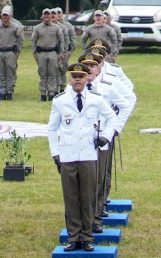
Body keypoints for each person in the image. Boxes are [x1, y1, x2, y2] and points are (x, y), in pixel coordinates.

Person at [48, 63, 122, 252]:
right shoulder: (60, 100)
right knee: (71, 198)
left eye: (81, 76)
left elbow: (112, 118)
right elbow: (52, 129)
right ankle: (73, 237)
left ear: (86, 78)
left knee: (88, 198)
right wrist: (55, 153)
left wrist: (105, 136)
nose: (78, 80)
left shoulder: (96, 99)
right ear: (70, 79)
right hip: (67, 155)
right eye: (74, 77)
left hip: (89, 155)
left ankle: (88, 237)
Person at [80, 53, 135, 233]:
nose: (89, 70)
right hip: (79, 141)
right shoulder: (72, 88)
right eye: (84, 66)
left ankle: (95, 215)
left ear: (99, 68)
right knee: (81, 181)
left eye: (93, 66)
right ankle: (81, 218)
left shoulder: (108, 85)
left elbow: (127, 102)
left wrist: (114, 130)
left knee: (98, 178)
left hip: (101, 138)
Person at [0, 6, 24, 100]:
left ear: (11, 16)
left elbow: (21, 40)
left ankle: (10, 92)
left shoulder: (16, 26)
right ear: (1, 15)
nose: (5, 18)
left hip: (10, 52)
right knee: (0, 72)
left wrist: (17, 53)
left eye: (7, 15)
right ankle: (2, 91)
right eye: (4, 15)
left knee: (10, 72)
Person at [32, 8, 65, 101]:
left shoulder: (57, 28)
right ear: (42, 16)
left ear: (51, 16)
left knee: (52, 73)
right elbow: (33, 40)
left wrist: (61, 53)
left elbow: (61, 41)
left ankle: (51, 94)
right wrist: (34, 53)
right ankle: (43, 94)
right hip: (42, 53)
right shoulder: (37, 28)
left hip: (53, 53)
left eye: (48, 14)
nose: (46, 16)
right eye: (45, 14)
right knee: (42, 74)